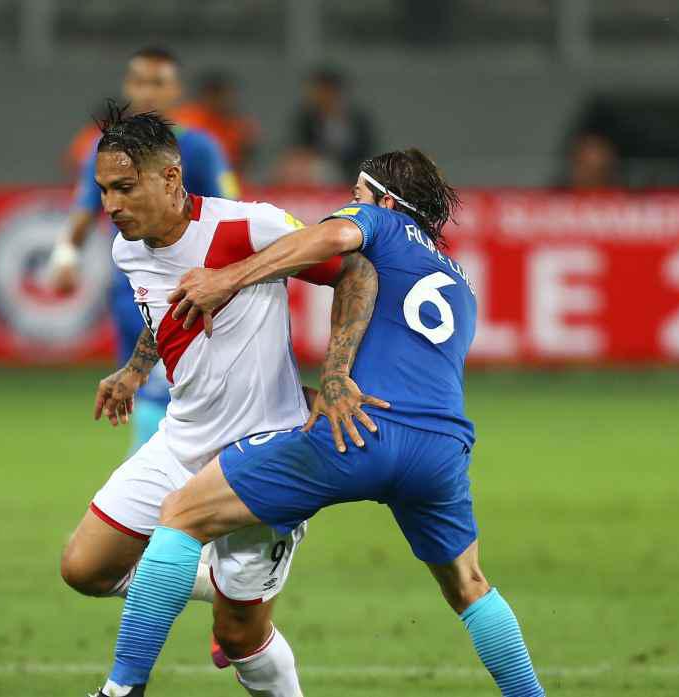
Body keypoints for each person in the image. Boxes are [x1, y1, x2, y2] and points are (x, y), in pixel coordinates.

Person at [97, 149, 545, 697]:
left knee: (182, 514)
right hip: (442, 449)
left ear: (385, 201)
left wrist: (228, 278)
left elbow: (331, 239)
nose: (348, 203)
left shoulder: (379, 221)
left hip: (358, 430)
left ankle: (124, 688)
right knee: (471, 586)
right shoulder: (461, 282)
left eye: (357, 194)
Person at [74, 105, 380, 697]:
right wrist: (135, 371)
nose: (110, 205)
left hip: (263, 451)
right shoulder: (127, 251)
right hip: (183, 439)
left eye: (124, 188)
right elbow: (164, 314)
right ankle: (216, 581)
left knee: (240, 637)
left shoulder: (250, 226)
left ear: (170, 178)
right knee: (86, 569)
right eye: (104, 190)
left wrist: (336, 373)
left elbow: (356, 273)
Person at [49, 47, 239, 451]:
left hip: (189, 293)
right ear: (126, 86)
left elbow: (230, 211)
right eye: (139, 81)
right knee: (151, 392)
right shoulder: (105, 148)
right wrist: (65, 256)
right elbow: (85, 207)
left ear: (176, 90)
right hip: (130, 293)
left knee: (175, 397)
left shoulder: (199, 147)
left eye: (158, 82)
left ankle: (153, 481)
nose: (147, 91)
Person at [278, 67, 375, 185]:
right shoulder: (307, 119)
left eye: (325, 91)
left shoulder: (357, 120)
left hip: (349, 170)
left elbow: (365, 150)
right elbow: (300, 146)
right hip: (315, 166)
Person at [174, 70, 260, 177]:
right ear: (207, 96)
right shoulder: (187, 120)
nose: (226, 101)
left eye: (229, 96)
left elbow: (244, 163)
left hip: (226, 178)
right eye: (220, 95)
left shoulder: (241, 126)